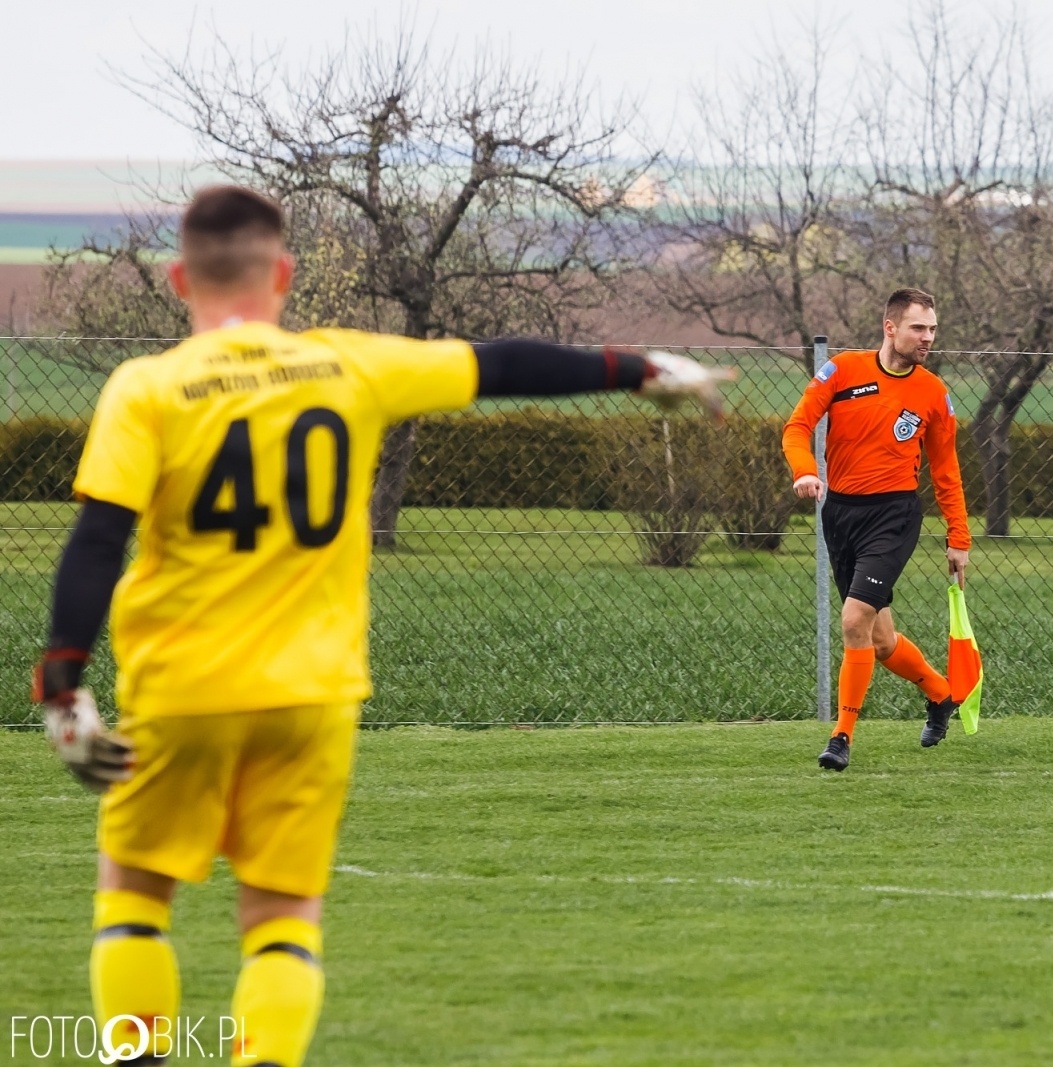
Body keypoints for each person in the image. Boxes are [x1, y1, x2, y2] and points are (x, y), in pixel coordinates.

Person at [31, 184, 729, 1067]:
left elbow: (98, 537)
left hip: (183, 688)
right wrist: (642, 369)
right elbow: (502, 364)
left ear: (178, 280)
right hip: (314, 695)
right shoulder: (346, 364)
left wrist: (62, 679)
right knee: (281, 921)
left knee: (133, 900)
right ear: (283, 274)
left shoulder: (148, 388)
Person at [782, 287, 971, 771]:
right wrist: (804, 469)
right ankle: (940, 692)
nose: (928, 337)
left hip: (894, 516)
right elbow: (798, 425)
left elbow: (946, 471)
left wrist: (959, 538)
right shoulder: (843, 370)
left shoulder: (933, 393)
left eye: (932, 329)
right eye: (918, 328)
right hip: (840, 514)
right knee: (881, 640)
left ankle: (841, 737)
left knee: (852, 621)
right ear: (890, 328)